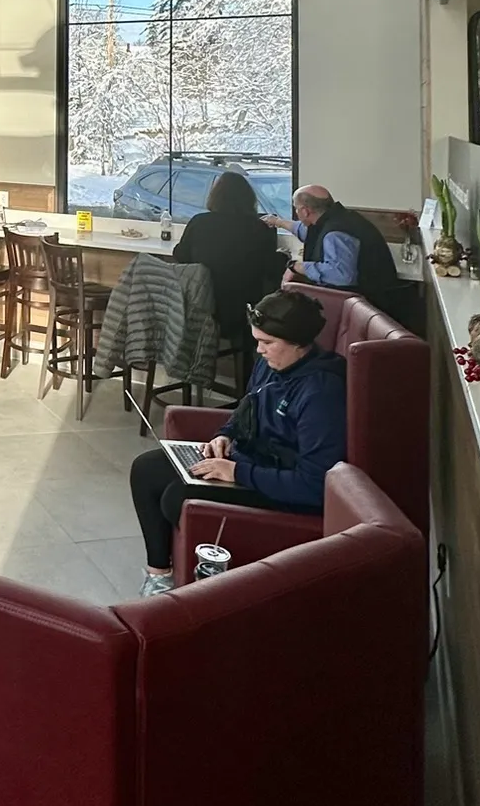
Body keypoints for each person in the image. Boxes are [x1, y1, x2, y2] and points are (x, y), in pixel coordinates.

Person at [129, 288, 347, 596]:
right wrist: (226, 435)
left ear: (300, 344)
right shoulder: (272, 363)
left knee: (175, 495)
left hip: (281, 489)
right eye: (257, 340)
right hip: (249, 462)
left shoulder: (321, 393)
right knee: (147, 469)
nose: (259, 350)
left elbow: (316, 485)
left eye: (268, 343)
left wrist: (235, 473)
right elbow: (248, 406)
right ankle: (159, 576)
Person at [264, 183, 422, 328]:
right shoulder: (338, 218)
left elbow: (341, 275)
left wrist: (296, 266)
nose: (297, 213)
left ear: (305, 211)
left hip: (371, 305)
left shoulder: (335, 233)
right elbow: (309, 232)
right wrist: (277, 222)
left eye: (296, 208)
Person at [173, 170, 288, 362]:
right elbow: (268, 268)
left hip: (198, 309)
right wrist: (283, 258)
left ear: (214, 197)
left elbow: (181, 256)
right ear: (248, 198)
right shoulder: (260, 227)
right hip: (240, 312)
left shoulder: (199, 222)